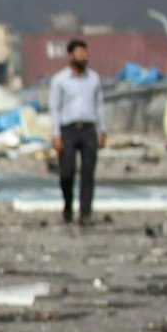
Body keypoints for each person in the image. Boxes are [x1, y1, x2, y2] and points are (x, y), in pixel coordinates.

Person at [49, 38, 106, 225]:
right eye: (80, 53)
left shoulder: (94, 79)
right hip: (68, 130)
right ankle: (68, 205)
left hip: (88, 129)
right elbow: (55, 108)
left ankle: (85, 213)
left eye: (86, 53)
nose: (84, 56)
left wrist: (102, 130)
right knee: (67, 172)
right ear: (70, 56)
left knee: (88, 173)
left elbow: (99, 105)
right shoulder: (60, 80)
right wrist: (56, 134)